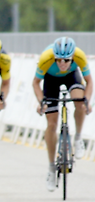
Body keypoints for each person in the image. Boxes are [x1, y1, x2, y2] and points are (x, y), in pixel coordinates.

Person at [33, 37, 92, 191]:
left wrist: (87, 100)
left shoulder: (79, 56)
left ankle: (78, 137)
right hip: (50, 80)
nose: (62, 64)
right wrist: (41, 101)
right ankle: (52, 168)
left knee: (79, 102)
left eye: (66, 60)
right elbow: (35, 83)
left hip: (72, 76)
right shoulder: (46, 58)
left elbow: (90, 81)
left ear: (72, 57)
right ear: (54, 57)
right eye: (58, 60)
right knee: (52, 124)